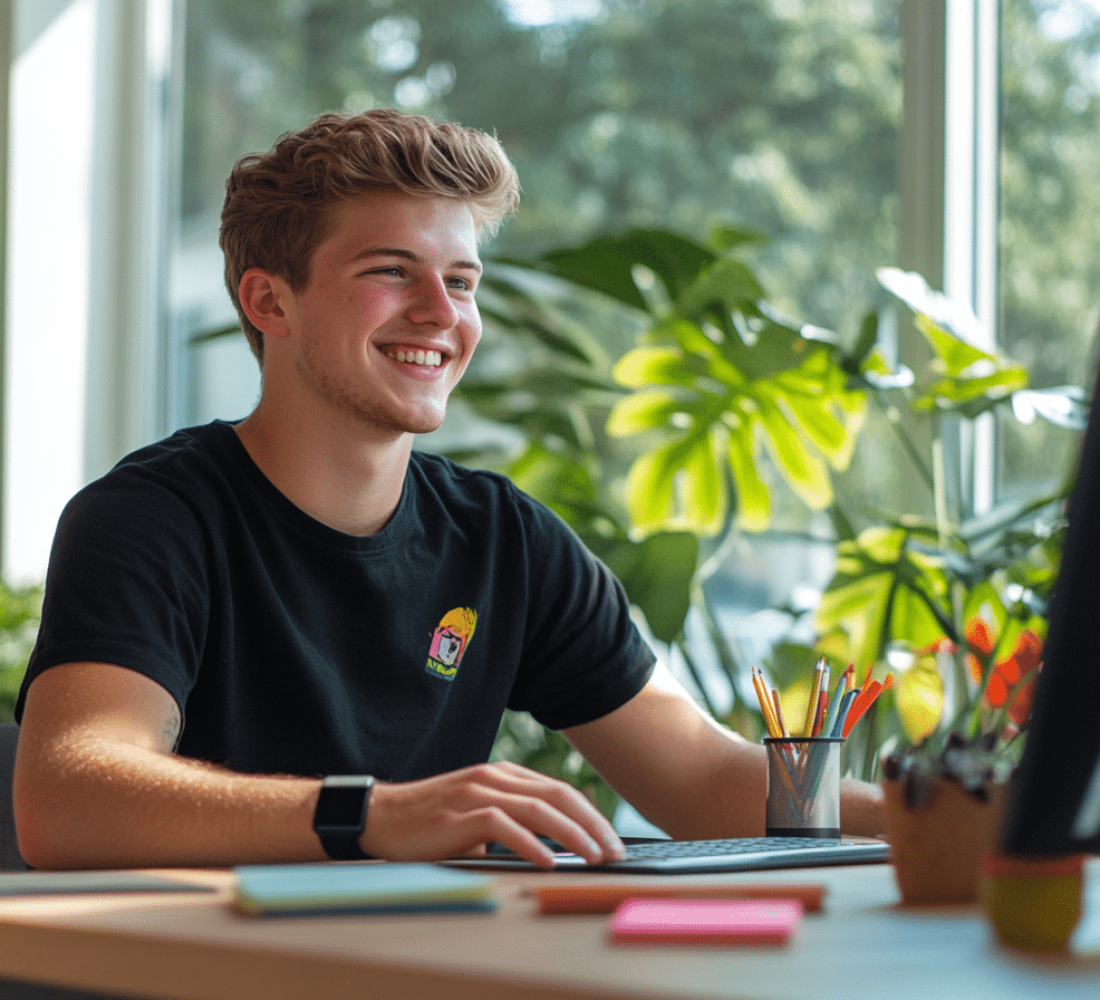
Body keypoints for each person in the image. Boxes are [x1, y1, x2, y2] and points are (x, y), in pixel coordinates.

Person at [13, 109, 883, 871]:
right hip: (195, 971)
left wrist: (970, 828)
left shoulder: (506, 539)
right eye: (391, 272)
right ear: (269, 302)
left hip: (424, 961)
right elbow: (68, 799)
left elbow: (699, 777)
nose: (442, 312)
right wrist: (378, 815)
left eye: (461, 281)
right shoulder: (151, 520)